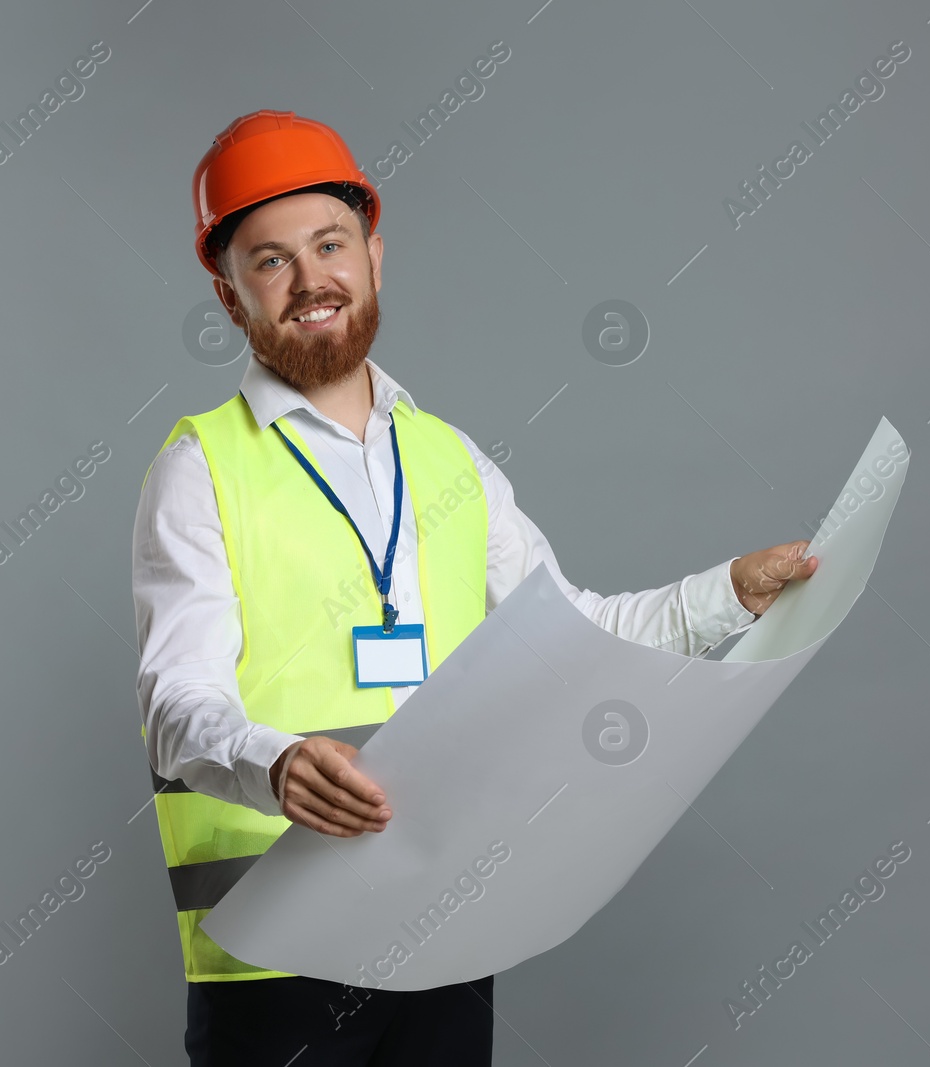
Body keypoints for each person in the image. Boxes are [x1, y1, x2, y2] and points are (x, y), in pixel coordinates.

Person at [130, 109, 818, 1067]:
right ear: (228, 289)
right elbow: (176, 703)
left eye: (329, 244)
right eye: (270, 259)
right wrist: (275, 763)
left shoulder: (448, 458)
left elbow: (571, 637)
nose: (310, 279)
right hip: (272, 956)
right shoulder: (201, 467)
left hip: (441, 934)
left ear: (374, 251)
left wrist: (729, 595)